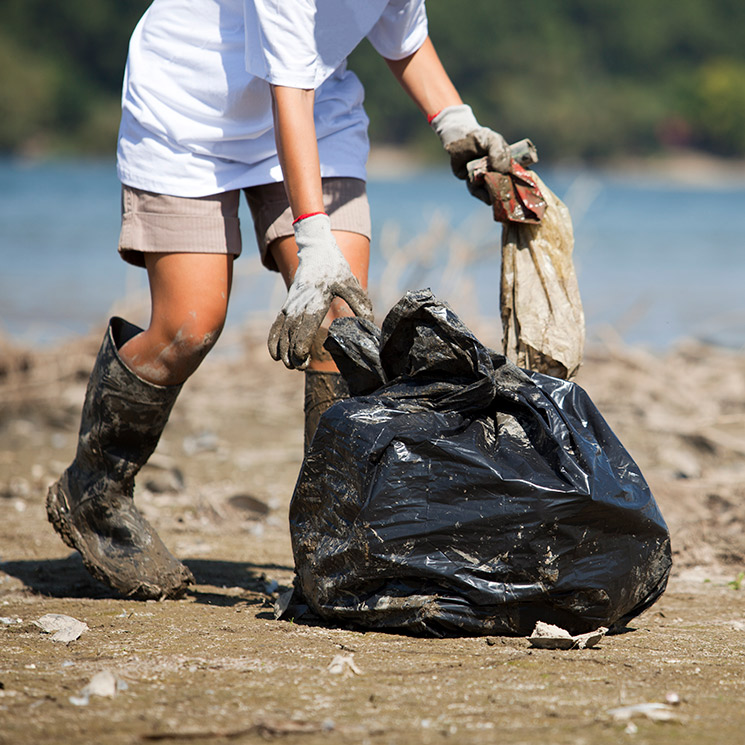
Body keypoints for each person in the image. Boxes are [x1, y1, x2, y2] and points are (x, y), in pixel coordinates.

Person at [46, 0, 515, 600]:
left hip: (316, 108)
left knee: (343, 324)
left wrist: (456, 121)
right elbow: (284, 86)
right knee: (189, 326)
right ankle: (94, 492)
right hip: (190, 108)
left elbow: (403, 34)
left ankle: (332, 550)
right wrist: (313, 239)